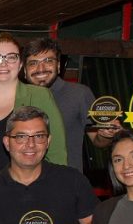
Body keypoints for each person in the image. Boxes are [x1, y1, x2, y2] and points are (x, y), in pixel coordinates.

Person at [0, 33, 67, 179]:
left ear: (20, 64)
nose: (4, 63)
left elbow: (57, 152)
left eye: (11, 57)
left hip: (29, 191)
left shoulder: (40, 96)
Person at [22, 37, 117, 171]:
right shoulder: (16, 99)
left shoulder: (79, 94)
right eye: (33, 63)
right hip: (25, 183)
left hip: (68, 183)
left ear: (59, 65)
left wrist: (106, 134)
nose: (41, 68)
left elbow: (98, 140)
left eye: (48, 61)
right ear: (25, 71)